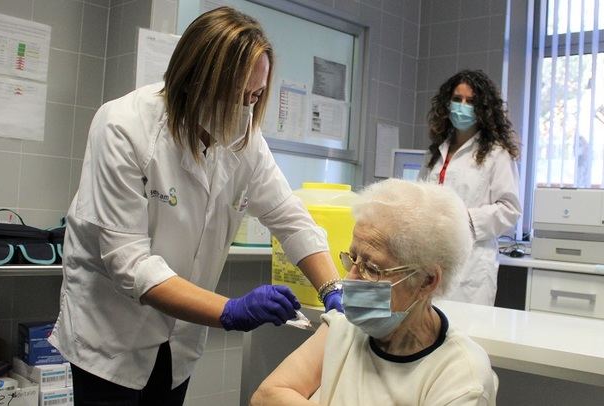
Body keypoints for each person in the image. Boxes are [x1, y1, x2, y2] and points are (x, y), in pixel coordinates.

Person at [48, 7, 342, 405]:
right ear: (196, 81)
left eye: (255, 97)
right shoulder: (123, 127)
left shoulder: (245, 142)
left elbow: (290, 218)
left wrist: (333, 290)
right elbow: (130, 265)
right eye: (238, 96)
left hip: (179, 339)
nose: (247, 112)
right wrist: (230, 309)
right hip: (111, 335)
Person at [251, 179, 497, 406]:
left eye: (371, 268)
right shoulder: (346, 326)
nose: (350, 278)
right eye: (352, 258)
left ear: (427, 281)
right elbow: (267, 395)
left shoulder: (461, 376)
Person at [418, 69, 521, 306]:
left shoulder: (497, 154)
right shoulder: (435, 153)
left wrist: (462, 220)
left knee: (467, 335)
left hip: (472, 267)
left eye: (471, 101)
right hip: (433, 259)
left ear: (483, 108)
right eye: (457, 99)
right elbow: (421, 197)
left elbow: (510, 209)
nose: (462, 106)